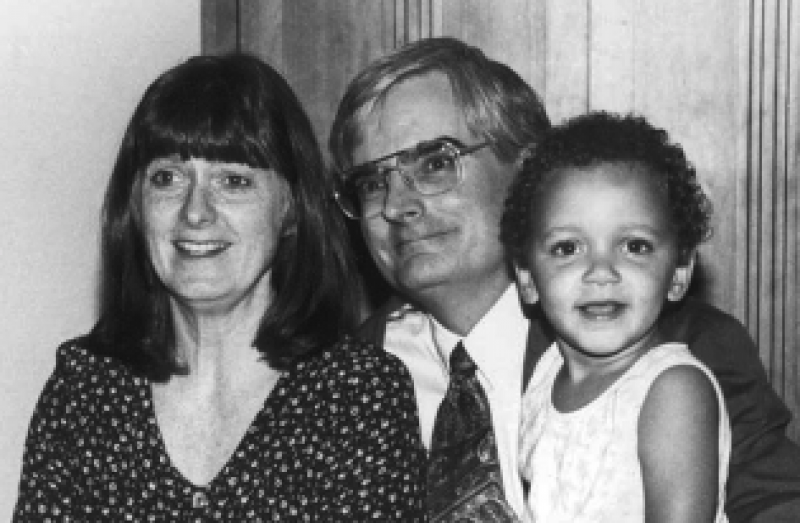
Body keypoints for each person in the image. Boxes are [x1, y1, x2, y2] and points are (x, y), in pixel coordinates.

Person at [329, 36, 800, 522]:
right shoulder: (345, 385)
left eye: (434, 163)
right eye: (372, 182)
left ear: (527, 170)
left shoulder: (683, 354)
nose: (394, 205)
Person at [13, 53, 425, 521]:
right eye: (167, 179)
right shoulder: (85, 391)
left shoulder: (359, 395)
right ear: (135, 205)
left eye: (233, 181)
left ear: (290, 207)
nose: (195, 212)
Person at [502, 111, 730, 521]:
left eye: (635, 246)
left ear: (679, 272)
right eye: (568, 248)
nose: (601, 272)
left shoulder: (673, 391)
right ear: (528, 279)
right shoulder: (545, 375)